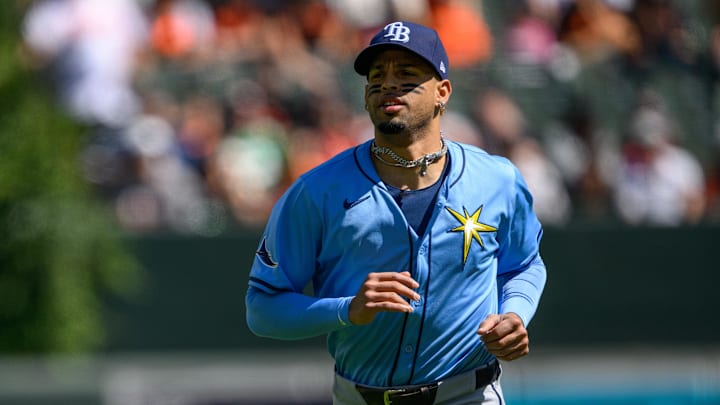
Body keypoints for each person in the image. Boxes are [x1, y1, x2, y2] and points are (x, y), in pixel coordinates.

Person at [245, 21, 547, 405]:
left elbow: (524, 265)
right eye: (377, 75)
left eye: (406, 74)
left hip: (469, 394)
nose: (388, 83)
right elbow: (263, 308)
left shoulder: (497, 179)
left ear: (443, 92)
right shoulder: (316, 191)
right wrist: (346, 310)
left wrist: (516, 314)